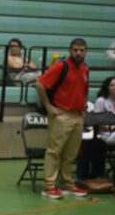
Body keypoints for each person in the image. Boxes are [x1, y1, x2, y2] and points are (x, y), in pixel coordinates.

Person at [35, 38, 89, 199]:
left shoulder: (85, 68)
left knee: (70, 153)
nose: (78, 53)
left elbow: (84, 90)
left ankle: (67, 183)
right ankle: (49, 186)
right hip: (62, 115)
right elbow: (40, 84)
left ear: (86, 51)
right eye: (75, 50)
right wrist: (48, 106)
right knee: (54, 151)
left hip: (78, 115)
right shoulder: (61, 66)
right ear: (70, 50)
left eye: (82, 50)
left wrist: (84, 107)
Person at [94, 76, 115, 146]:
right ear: (107, 87)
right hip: (106, 134)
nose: (114, 87)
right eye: (112, 85)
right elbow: (99, 122)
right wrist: (112, 128)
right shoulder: (101, 101)